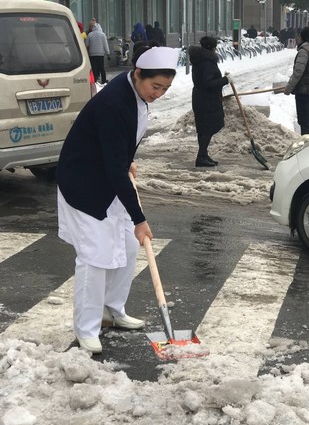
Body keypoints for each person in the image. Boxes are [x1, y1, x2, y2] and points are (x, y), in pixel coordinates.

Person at [56, 46, 179, 354]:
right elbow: (111, 163)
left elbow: (121, 144)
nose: (159, 94)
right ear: (138, 73)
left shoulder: (135, 93)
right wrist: (139, 218)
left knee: (125, 245)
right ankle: (87, 327)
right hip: (85, 185)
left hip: (110, 178)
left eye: (165, 89)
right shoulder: (113, 103)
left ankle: (112, 310)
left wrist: (127, 159)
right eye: (155, 87)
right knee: (94, 257)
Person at [188, 36, 231, 167]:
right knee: (208, 128)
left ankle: (203, 154)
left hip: (201, 98)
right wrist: (225, 80)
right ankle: (201, 157)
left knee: (204, 129)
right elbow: (208, 84)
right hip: (207, 101)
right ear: (213, 48)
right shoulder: (207, 63)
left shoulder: (199, 60)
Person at [283, 26, 309, 135]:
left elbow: (297, 73)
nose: (298, 38)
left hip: (304, 92)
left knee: (304, 121)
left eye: (300, 36)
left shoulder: (304, 52)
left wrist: (288, 88)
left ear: (304, 37)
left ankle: (307, 147)